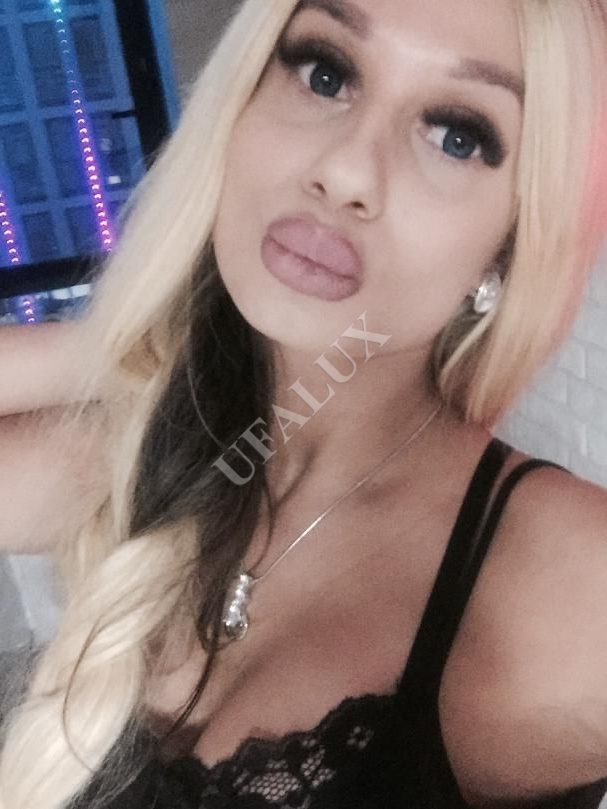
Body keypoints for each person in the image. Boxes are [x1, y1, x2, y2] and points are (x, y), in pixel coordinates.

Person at [1, 0, 607, 806]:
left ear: (508, 245)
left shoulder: (555, 573)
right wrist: (125, 346)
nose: (346, 172)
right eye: (325, 74)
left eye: (456, 136)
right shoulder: (137, 452)